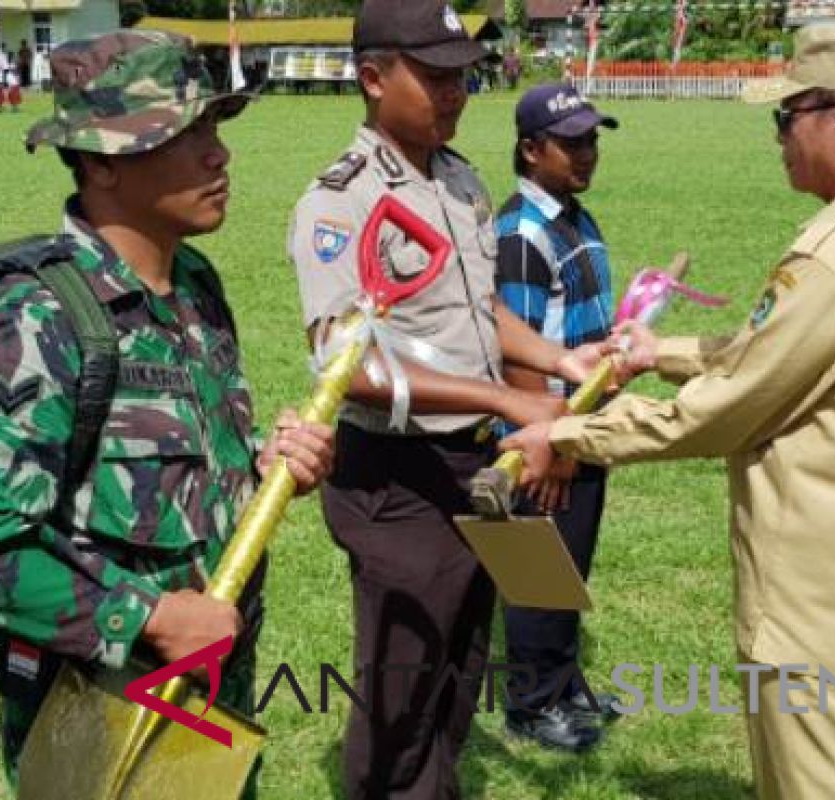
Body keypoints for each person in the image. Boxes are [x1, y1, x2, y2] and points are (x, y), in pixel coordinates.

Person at [501, 21, 835, 800]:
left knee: (821, 781)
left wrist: (568, 432)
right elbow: (788, 358)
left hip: (819, 594)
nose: (777, 139)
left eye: (785, 118)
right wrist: (659, 352)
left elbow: (719, 411)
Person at [0, 29, 335, 792]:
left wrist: (264, 476)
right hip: (101, 723)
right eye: (186, 132)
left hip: (211, 711)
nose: (219, 154)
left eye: (213, 128)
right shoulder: (39, 320)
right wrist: (149, 618)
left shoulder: (195, 286)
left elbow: (178, 473)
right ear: (102, 158)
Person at [288, 2, 606, 797]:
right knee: (402, 686)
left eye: (462, 75)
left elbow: (482, 311)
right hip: (396, 475)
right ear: (371, 78)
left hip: (471, 465)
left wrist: (558, 358)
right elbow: (345, 366)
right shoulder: (341, 201)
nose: (455, 92)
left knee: (462, 669)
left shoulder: (459, 179)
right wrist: (505, 396)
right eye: (433, 77)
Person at [495, 82, 620, 752]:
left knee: (569, 566)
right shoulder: (520, 235)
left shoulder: (574, 216)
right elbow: (515, 351)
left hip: (586, 423)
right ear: (530, 148)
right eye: (572, 142)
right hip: (545, 438)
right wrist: (554, 441)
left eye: (592, 139)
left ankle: (566, 687)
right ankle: (531, 703)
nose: (588, 153)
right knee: (538, 571)